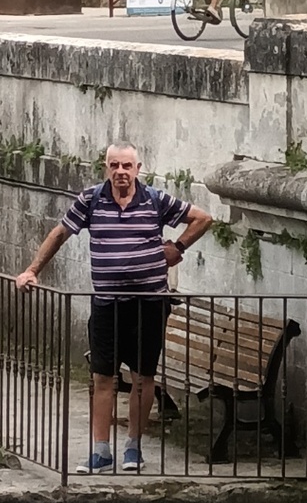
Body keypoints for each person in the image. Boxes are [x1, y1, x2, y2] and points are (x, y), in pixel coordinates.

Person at [15, 142, 213, 473]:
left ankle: (133, 448)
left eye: (127, 166)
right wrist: (32, 270)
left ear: (138, 169)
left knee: (142, 377)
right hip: (107, 304)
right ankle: (101, 452)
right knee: (102, 377)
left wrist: (178, 247)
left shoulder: (155, 200)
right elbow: (60, 233)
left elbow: (203, 218)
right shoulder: (92, 199)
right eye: (114, 165)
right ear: (106, 167)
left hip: (149, 304)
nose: (121, 171)